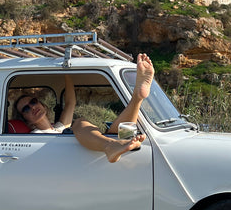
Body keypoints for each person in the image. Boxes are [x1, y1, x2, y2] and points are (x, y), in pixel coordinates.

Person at [14, 53, 154, 163]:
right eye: (26, 109)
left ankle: (137, 98)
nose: (32, 107)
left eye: (33, 102)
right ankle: (112, 145)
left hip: (99, 143)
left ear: (41, 104)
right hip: (71, 159)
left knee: (113, 132)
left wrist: (66, 71)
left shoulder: (58, 127)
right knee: (80, 122)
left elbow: (70, 103)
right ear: (26, 120)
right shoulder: (34, 137)